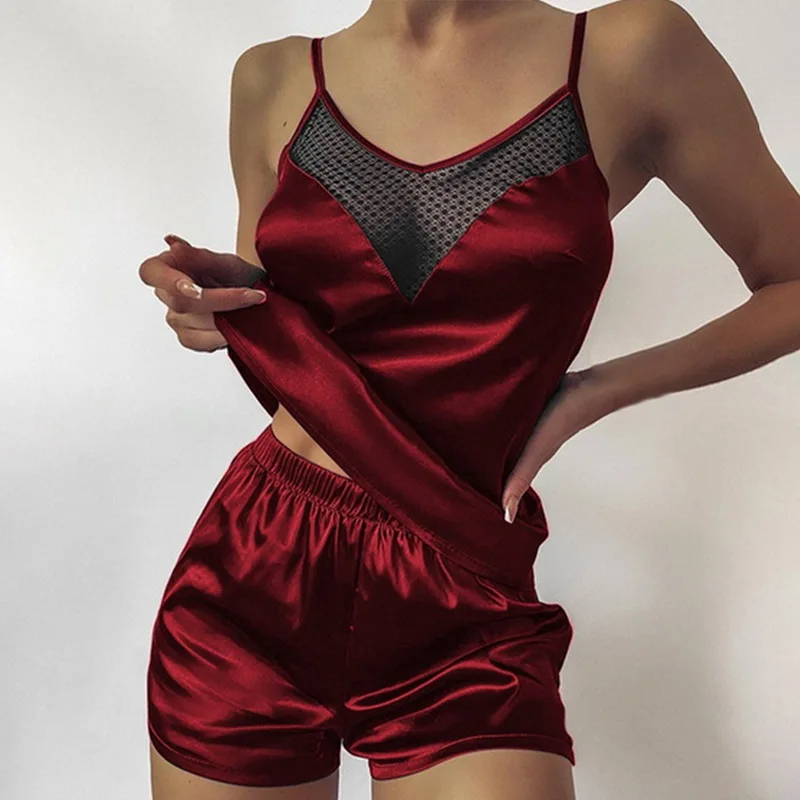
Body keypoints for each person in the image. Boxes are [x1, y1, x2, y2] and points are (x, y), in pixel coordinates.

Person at [138, 1, 800, 798]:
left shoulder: (626, 51)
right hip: (252, 571)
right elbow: (292, 330)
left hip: (461, 589)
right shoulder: (272, 77)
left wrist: (594, 391)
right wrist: (215, 302)